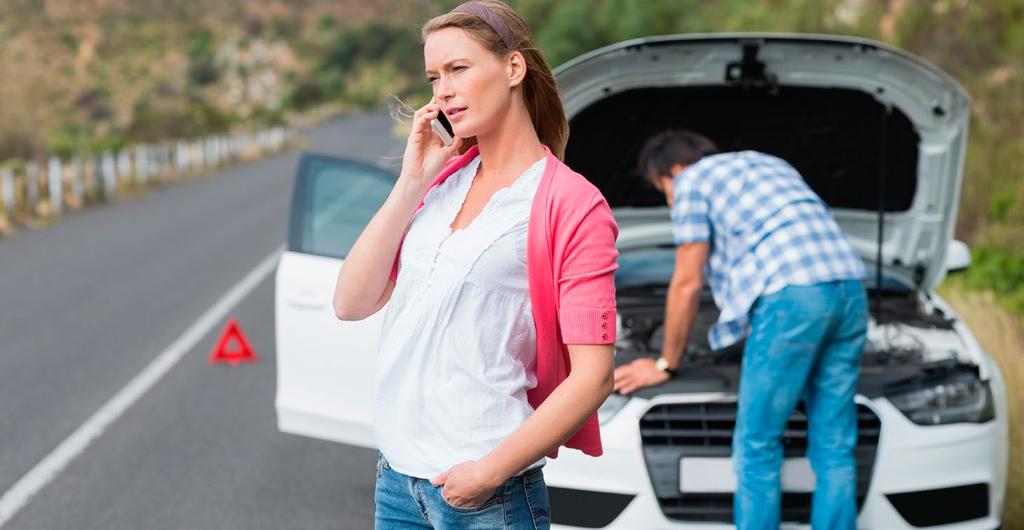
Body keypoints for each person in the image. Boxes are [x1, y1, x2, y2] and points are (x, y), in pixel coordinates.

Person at [331, 2, 619, 528]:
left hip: (486, 493)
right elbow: (350, 303)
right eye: (433, 76)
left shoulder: (571, 204)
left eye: (458, 69)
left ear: (513, 69)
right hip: (397, 480)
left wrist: (488, 473)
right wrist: (411, 182)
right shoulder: (442, 183)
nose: (441, 90)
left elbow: (593, 377)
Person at [613, 130, 868, 530]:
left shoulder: (691, 182)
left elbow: (687, 281)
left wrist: (665, 361)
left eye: (663, 189)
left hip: (793, 299)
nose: (669, 199)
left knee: (757, 446)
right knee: (835, 444)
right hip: (851, 291)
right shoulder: (769, 163)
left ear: (673, 171)